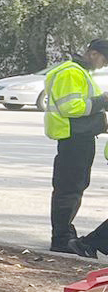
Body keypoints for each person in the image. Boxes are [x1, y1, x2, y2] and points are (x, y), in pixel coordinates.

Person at [44, 39, 108, 255]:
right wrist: (103, 101)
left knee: (74, 188)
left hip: (79, 137)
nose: (104, 65)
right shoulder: (71, 73)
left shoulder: (81, 73)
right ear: (92, 53)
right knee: (69, 189)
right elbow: (71, 107)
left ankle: (65, 233)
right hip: (72, 138)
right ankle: (61, 238)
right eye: (104, 59)